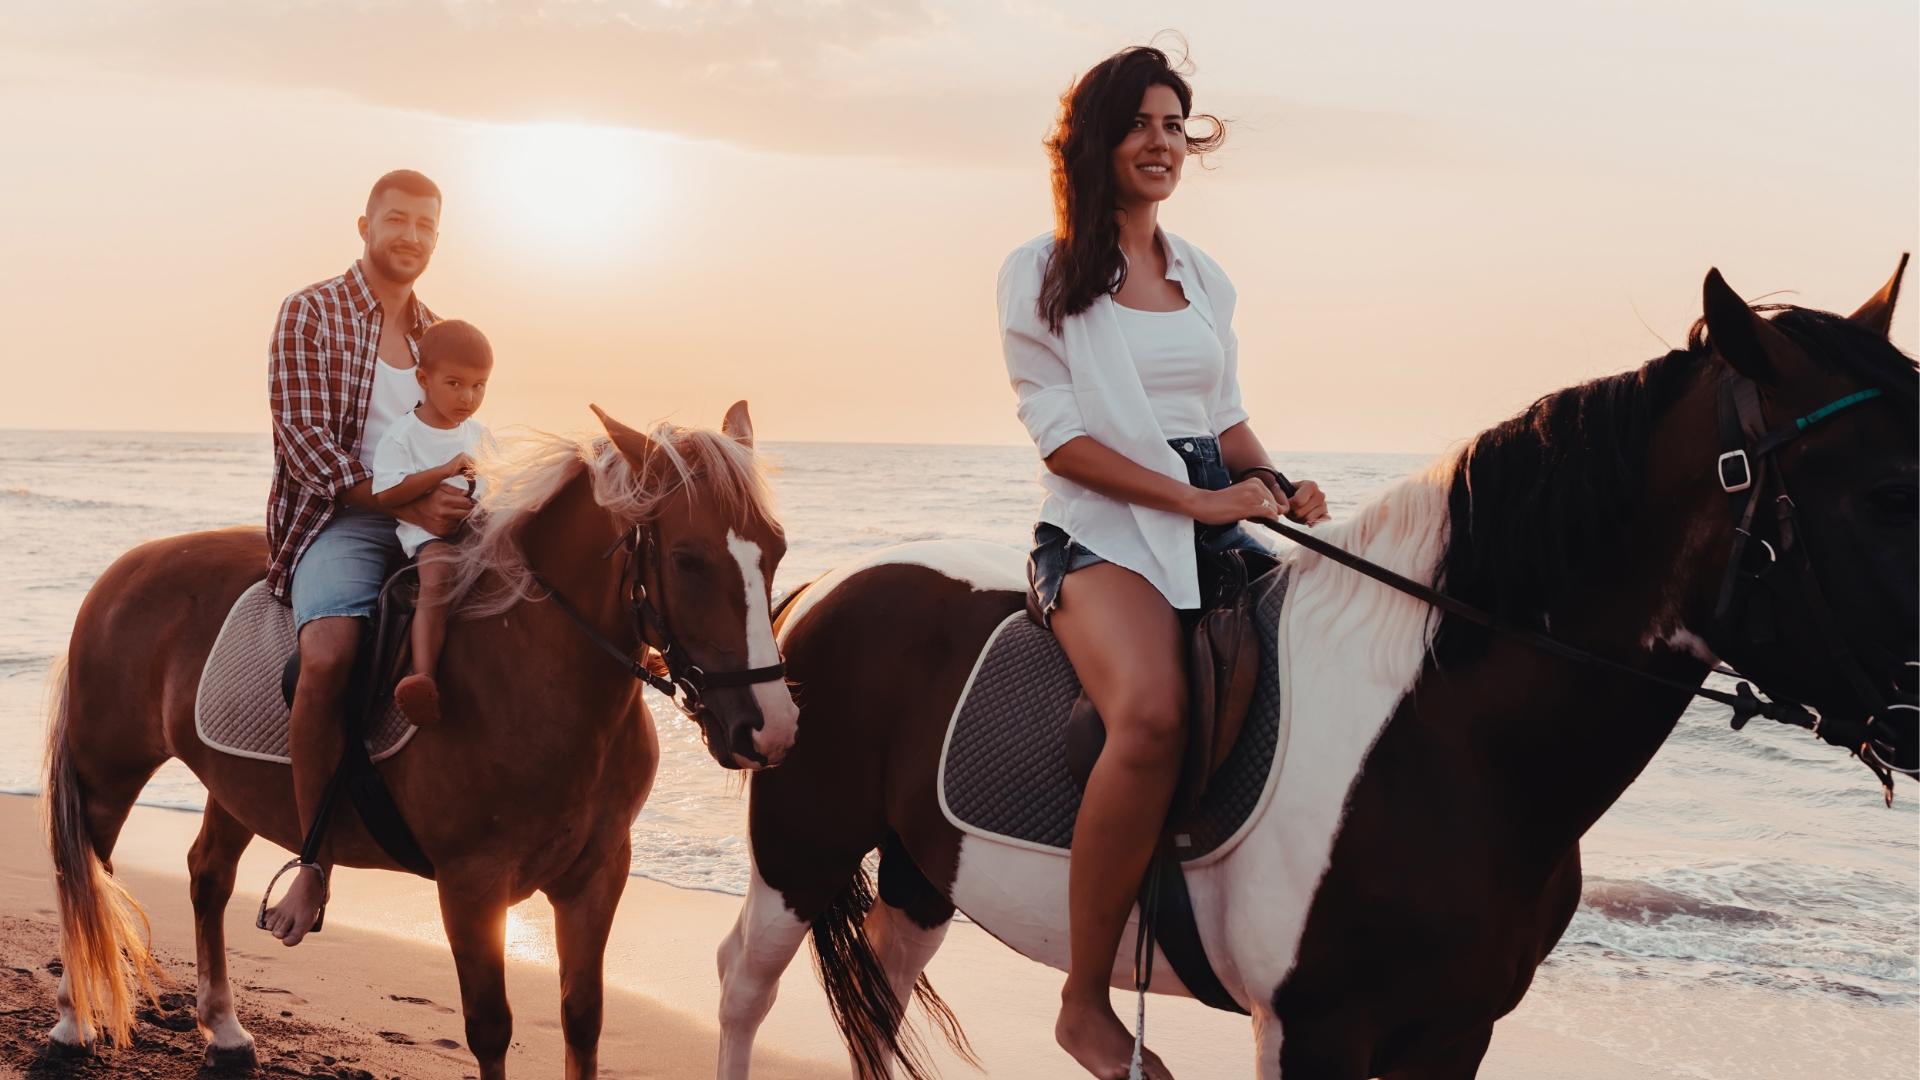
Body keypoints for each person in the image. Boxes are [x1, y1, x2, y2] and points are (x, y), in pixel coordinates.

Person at [997, 45, 1329, 1079]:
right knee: (1149, 714)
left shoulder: (1205, 276)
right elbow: (1061, 442)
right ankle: (1085, 1004)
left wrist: (1277, 487)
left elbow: (1222, 417)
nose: (1160, 142)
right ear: (1094, 140)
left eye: (1175, 125)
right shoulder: (1040, 273)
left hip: (1216, 519)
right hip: (1102, 534)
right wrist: (1193, 501)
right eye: (1139, 123)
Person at [260, 170, 472, 946]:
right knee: (328, 654)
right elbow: (308, 446)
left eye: (425, 225)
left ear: (436, 239)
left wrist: (463, 495)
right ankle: (312, 861)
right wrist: (406, 504)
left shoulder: (442, 333)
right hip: (340, 519)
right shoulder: (310, 312)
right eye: (396, 220)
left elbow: (460, 431)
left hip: (427, 520)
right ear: (365, 225)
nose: (409, 236)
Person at [373, 319, 497, 726]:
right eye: (455, 383)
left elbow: (501, 487)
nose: (468, 397)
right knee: (438, 574)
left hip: (480, 532)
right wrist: (443, 471)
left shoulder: (479, 433)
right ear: (424, 379)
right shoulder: (402, 435)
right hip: (430, 538)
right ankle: (421, 675)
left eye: (479, 386)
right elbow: (386, 495)